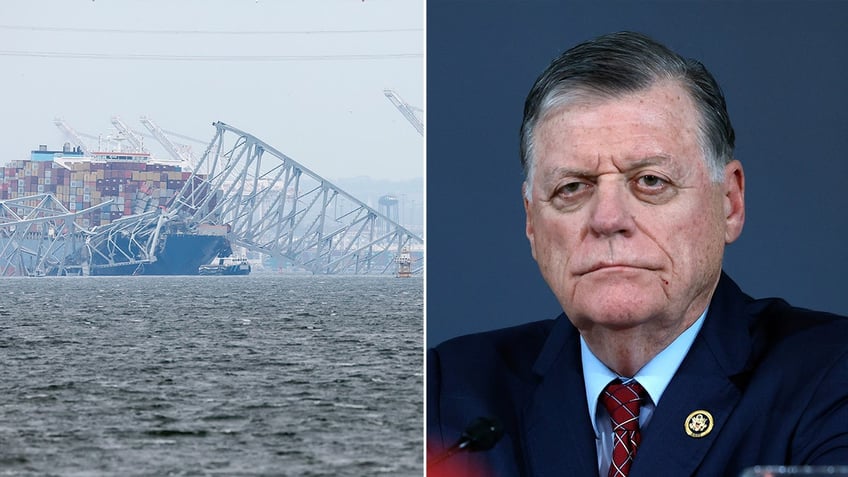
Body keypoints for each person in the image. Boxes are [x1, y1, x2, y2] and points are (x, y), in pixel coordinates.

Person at [426, 31, 848, 477]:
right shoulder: (445, 392)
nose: (608, 219)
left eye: (651, 181)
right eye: (572, 188)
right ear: (532, 222)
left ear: (730, 203)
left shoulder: (831, 376)